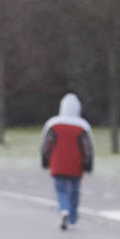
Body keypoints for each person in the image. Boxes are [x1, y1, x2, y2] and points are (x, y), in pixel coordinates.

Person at [40, 93, 94, 230]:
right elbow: (87, 148)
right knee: (74, 192)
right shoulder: (82, 126)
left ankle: (64, 210)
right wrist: (88, 165)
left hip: (58, 164)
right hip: (76, 165)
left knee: (61, 190)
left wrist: (45, 161)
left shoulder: (53, 124)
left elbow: (47, 145)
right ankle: (73, 219)